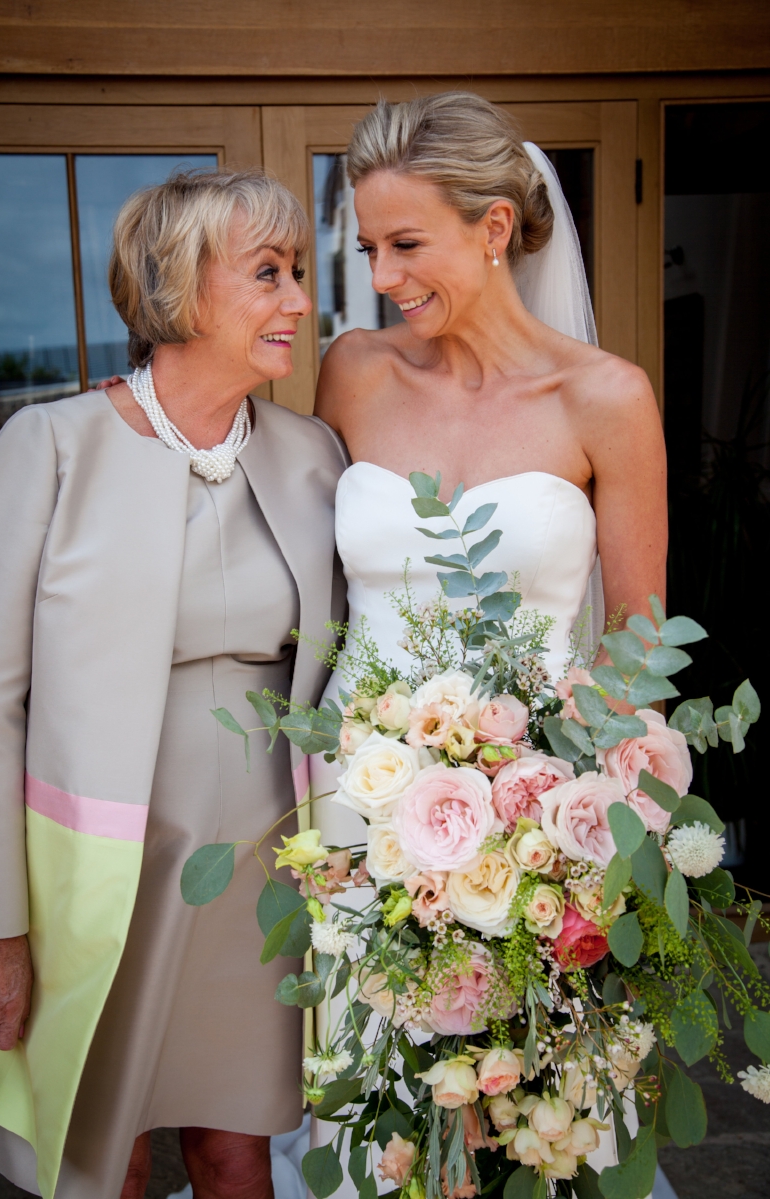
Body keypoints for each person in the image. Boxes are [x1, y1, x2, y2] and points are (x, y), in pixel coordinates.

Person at [308, 92, 666, 1196]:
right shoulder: (352, 373)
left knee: (526, 1113)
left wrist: (560, 829)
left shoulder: (605, 397)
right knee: (379, 1107)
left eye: (405, 243)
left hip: (536, 811)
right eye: (365, 246)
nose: (379, 275)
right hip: (357, 801)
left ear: (495, 228)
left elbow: (637, 641)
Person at [0, 168, 347, 1199]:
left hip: (266, 879)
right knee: (107, 1158)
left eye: (300, 271)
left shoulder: (314, 456)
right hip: (95, 882)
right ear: (181, 285)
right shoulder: (46, 451)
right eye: (266, 273)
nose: (297, 301)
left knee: (238, 1150)